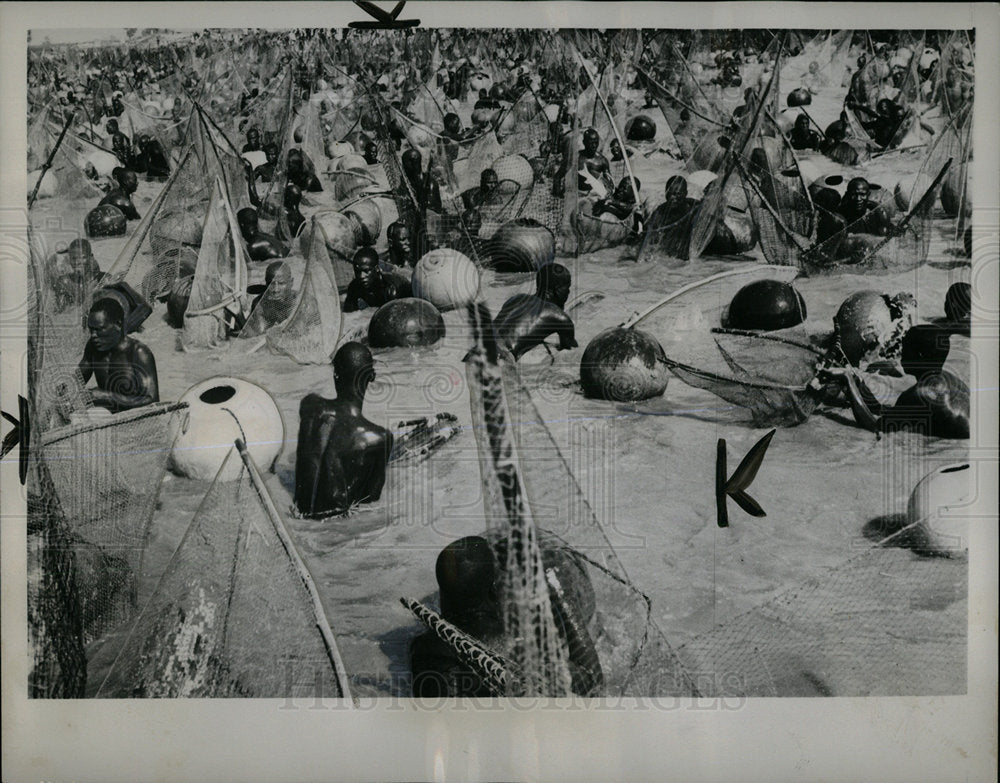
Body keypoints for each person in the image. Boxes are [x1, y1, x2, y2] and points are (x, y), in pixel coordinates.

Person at [409, 532, 603, 697]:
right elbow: (592, 683)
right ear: (495, 591)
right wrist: (560, 592)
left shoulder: (423, 649)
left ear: (443, 597)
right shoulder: (525, 650)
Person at [294, 342, 393, 519]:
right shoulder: (380, 438)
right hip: (334, 525)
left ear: (335, 374)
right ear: (371, 377)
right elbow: (370, 499)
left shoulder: (310, 405)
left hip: (298, 512)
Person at [837, 323, 969, 439]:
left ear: (919, 356)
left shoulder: (921, 394)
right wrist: (860, 387)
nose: (902, 355)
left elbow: (875, 426)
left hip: (956, 445)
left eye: (906, 349)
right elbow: (894, 413)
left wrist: (848, 381)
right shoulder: (947, 378)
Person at [79, 297, 159, 413]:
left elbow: (152, 400)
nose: (93, 335)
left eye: (99, 329)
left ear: (118, 324)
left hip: (134, 420)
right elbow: (78, 378)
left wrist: (106, 396)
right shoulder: (93, 347)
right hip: (107, 416)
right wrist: (66, 388)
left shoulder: (138, 353)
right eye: (91, 330)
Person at [493, 263, 577, 360]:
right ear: (557, 290)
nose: (568, 292)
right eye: (567, 287)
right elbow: (570, 352)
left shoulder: (516, 299)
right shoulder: (559, 316)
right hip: (500, 358)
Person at [48, 238, 103, 311]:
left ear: (91, 257)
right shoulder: (64, 283)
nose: (78, 262)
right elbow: (61, 312)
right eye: (74, 258)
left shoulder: (102, 279)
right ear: (69, 259)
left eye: (83, 257)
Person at [343, 247, 402, 312]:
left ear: (377, 269)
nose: (361, 276)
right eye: (357, 271)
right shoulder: (354, 286)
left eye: (366, 271)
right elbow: (348, 314)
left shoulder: (391, 289)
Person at [248, 260, 295, 328]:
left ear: (291, 282)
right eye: (271, 283)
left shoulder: (304, 303)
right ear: (266, 283)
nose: (276, 290)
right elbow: (257, 334)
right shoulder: (260, 304)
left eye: (281, 283)